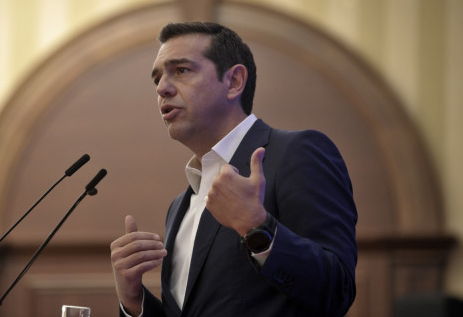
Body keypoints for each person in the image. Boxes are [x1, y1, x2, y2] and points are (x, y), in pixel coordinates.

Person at [110, 22, 357, 317]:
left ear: (234, 82)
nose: (162, 87)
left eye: (181, 70)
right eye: (157, 79)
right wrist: (134, 301)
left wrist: (257, 227)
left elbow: (337, 291)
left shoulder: (296, 153)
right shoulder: (179, 205)